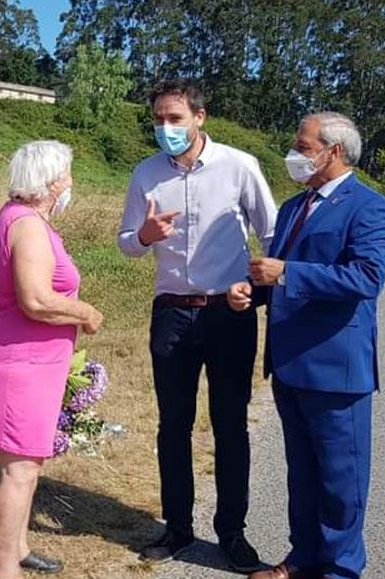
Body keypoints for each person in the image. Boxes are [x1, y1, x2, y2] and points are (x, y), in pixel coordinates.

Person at [117, 79, 278, 572]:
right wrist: (144, 234)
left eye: (175, 118)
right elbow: (126, 241)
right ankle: (178, 528)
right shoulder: (146, 173)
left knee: (230, 425)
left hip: (228, 311)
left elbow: (272, 234)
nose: (166, 128)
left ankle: (232, 532)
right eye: (159, 120)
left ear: (199, 117)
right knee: (173, 426)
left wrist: (257, 290)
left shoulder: (239, 166)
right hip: (171, 311)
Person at [234, 112, 385, 579]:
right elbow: (280, 274)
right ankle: (302, 557)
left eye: (303, 147)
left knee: (341, 479)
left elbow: (366, 278)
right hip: (289, 365)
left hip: (336, 368)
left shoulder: (369, 207)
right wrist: (253, 292)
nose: (294, 154)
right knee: (302, 474)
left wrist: (285, 273)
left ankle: (341, 569)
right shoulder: (292, 207)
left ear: (334, 151)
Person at [0, 140, 104, 579]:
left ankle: (17, 547)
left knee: (27, 462)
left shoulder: (25, 218)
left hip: (32, 362)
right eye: (67, 175)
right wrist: (86, 313)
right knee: (19, 469)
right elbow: (36, 300)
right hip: (17, 362)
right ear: (50, 182)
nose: (70, 183)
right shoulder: (26, 225)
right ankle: (5, 570)